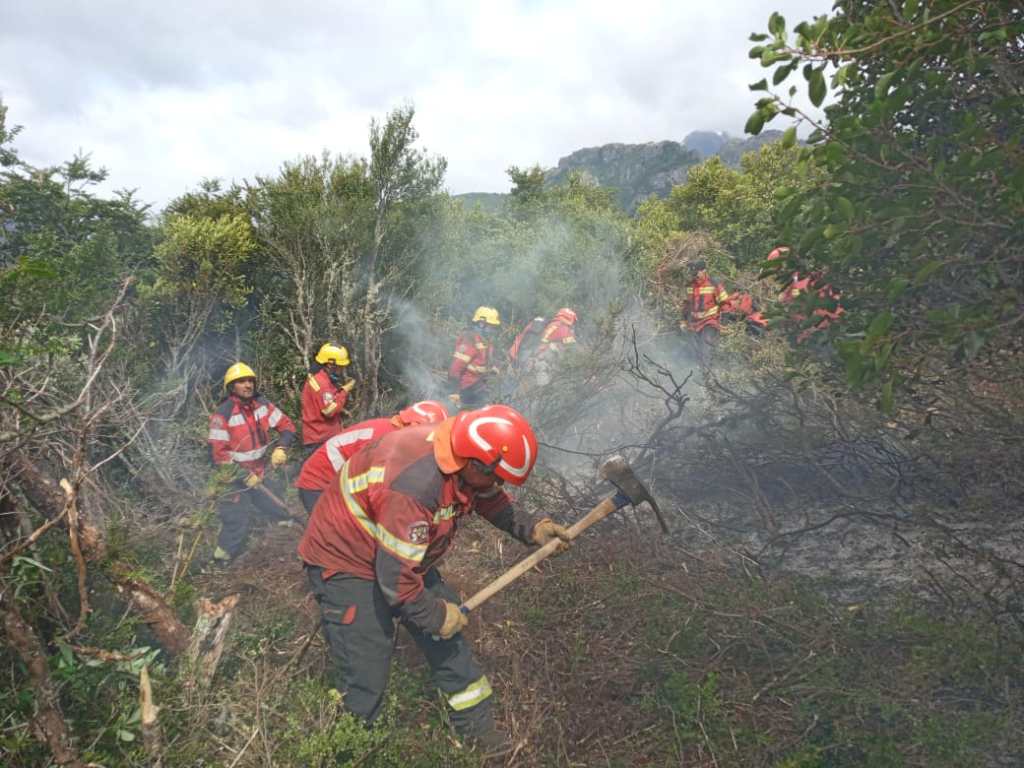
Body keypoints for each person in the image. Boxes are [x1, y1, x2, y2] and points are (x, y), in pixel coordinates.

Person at [298, 405, 571, 751]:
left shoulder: (458, 455)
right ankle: (347, 752)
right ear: (475, 463)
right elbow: (396, 581)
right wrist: (435, 615)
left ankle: (480, 735)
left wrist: (531, 528)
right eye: (496, 476)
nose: (498, 484)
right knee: (365, 673)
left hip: (400, 557)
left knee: (450, 641)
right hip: (348, 564)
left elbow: (487, 497)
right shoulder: (414, 483)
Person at [208, 362, 297, 562]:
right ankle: (219, 561)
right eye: (241, 382)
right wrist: (244, 476)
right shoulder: (222, 414)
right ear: (231, 387)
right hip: (232, 478)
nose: (248, 385)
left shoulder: (262, 405)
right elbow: (219, 456)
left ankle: (285, 539)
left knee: (278, 508)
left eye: (250, 381)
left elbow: (287, 426)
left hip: (260, 472)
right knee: (236, 520)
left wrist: (281, 447)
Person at [294, 400, 449, 513]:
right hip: (318, 484)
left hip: (333, 482)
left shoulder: (392, 432)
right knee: (337, 538)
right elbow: (374, 486)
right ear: (415, 427)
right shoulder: (383, 439)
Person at [301, 343, 355, 456]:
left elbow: (324, 402)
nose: (342, 370)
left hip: (322, 438)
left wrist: (343, 411)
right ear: (330, 365)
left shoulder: (323, 378)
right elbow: (329, 410)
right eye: (341, 366)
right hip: (319, 440)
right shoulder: (322, 382)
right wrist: (344, 391)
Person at [447, 306, 501, 409]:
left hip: (478, 387)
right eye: (491, 326)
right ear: (482, 324)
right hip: (466, 389)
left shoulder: (484, 341)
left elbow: (484, 362)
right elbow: (455, 368)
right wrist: (454, 392)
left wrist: (493, 370)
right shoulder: (470, 339)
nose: (493, 330)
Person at [681, 261, 733, 360]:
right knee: (692, 350)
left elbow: (725, 303)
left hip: (710, 321)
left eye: (696, 273)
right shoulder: (689, 286)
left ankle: (707, 372)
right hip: (694, 323)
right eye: (692, 274)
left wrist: (724, 324)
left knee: (705, 346)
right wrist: (683, 321)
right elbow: (686, 305)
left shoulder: (714, 284)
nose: (694, 276)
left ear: (704, 271)